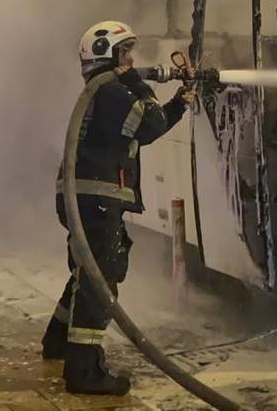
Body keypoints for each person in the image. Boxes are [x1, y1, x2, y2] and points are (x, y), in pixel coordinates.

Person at [41, 21, 195, 396]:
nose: (131, 59)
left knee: (88, 271)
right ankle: (84, 372)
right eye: (125, 52)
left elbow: (147, 127)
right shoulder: (111, 91)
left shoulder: (105, 92)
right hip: (94, 197)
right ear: (106, 55)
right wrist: (138, 83)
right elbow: (150, 121)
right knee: (101, 276)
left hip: (86, 196)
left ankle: (57, 341)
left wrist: (180, 102)